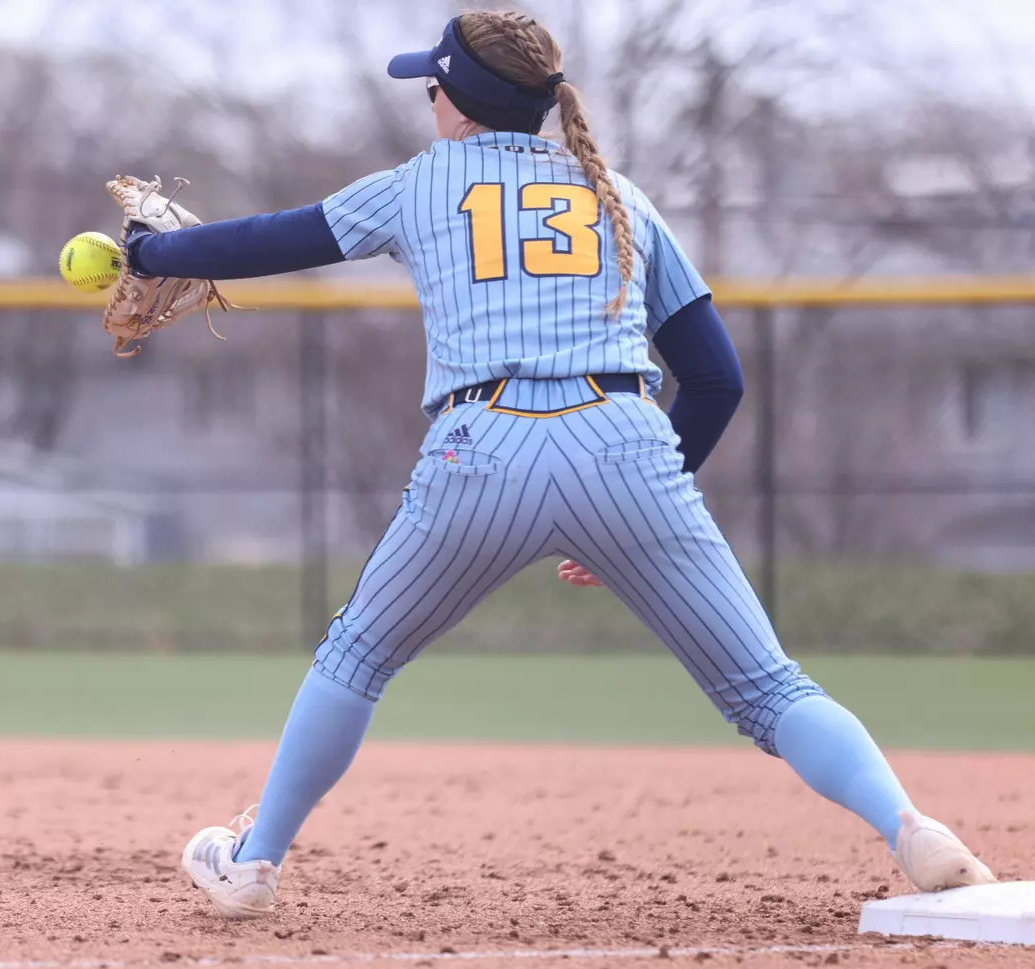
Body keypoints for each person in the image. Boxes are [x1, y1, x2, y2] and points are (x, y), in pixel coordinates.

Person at [119, 9, 996, 919]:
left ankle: (252, 866)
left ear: (456, 103)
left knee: (356, 657)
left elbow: (274, 240)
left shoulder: (421, 183)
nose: (427, 99)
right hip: (623, 441)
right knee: (770, 689)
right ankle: (912, 829)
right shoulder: (618, 194)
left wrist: (152, 250)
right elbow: (713, 380)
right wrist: (645, 502)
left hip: (482, 447)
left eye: (431, 85)